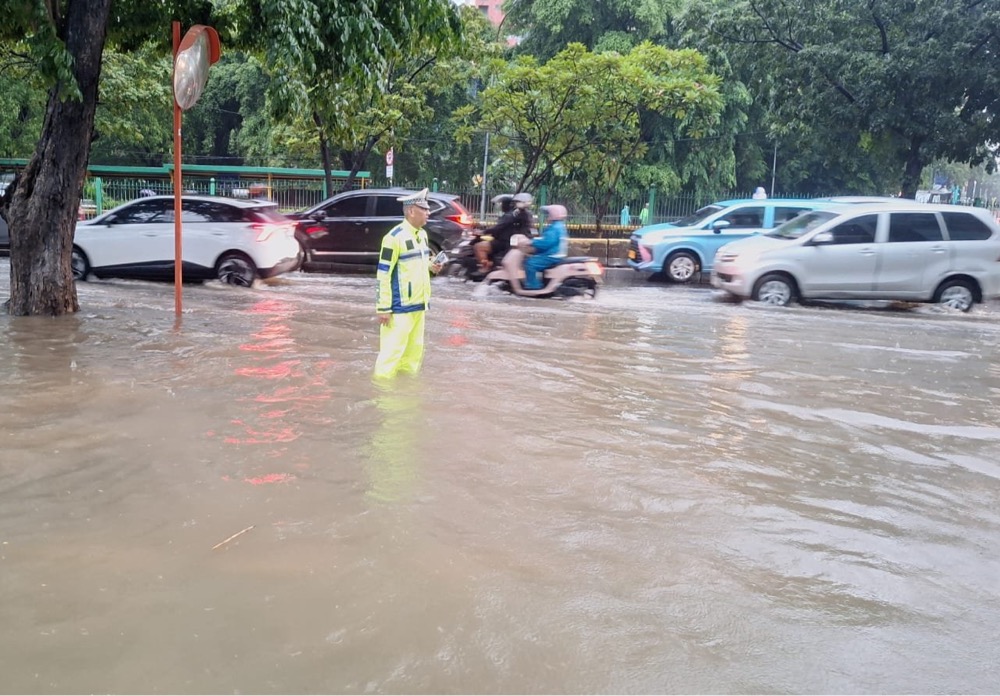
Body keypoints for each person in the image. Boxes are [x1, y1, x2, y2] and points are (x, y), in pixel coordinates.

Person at [373, 188, 443, 380]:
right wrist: (383, 308)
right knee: (391, 355)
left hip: (419, 305)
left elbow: (417, 264)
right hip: (398, 308)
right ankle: (382, 391)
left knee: (413, 354)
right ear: (412, 211)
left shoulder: (422, 235)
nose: (428, 212)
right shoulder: (393, 238)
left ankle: (406, 390)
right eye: (424, 209)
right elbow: (383, 273)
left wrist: (432, 267)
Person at [475, 192, 533, 272]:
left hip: (505, 241)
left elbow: (498, 227)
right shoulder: (520, 213)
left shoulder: (511, 214)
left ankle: (486, 266)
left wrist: (483, 232)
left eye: (503, 204)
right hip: (511, 240)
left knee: (479, 246)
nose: (501, 206)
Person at [520, 204, 568, 290]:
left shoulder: (555, 228)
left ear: (553, 215)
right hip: (554, 254)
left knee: (530, 263)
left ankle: (533, 286)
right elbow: (546, 240)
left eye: (548, 214)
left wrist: (531, 242)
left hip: (552, 255)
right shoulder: (558, 226)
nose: (547, 216)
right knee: (532, 258)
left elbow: (546, 242)